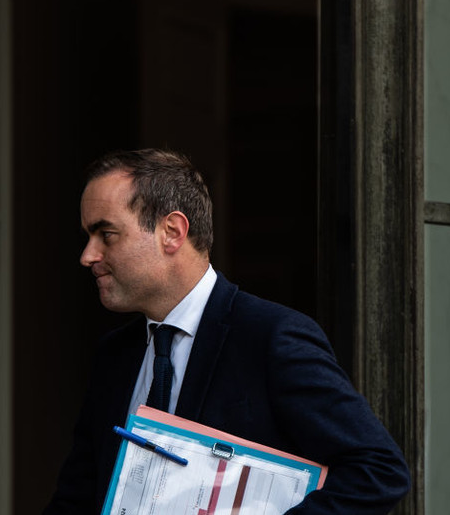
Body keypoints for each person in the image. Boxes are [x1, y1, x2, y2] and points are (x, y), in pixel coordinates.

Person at [43, 149, 410, 514]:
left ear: (172, 232)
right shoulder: (114, 355)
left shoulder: (271, 337)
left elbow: (378, 471)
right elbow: (76, 499)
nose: (88, 255)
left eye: (106, 234)